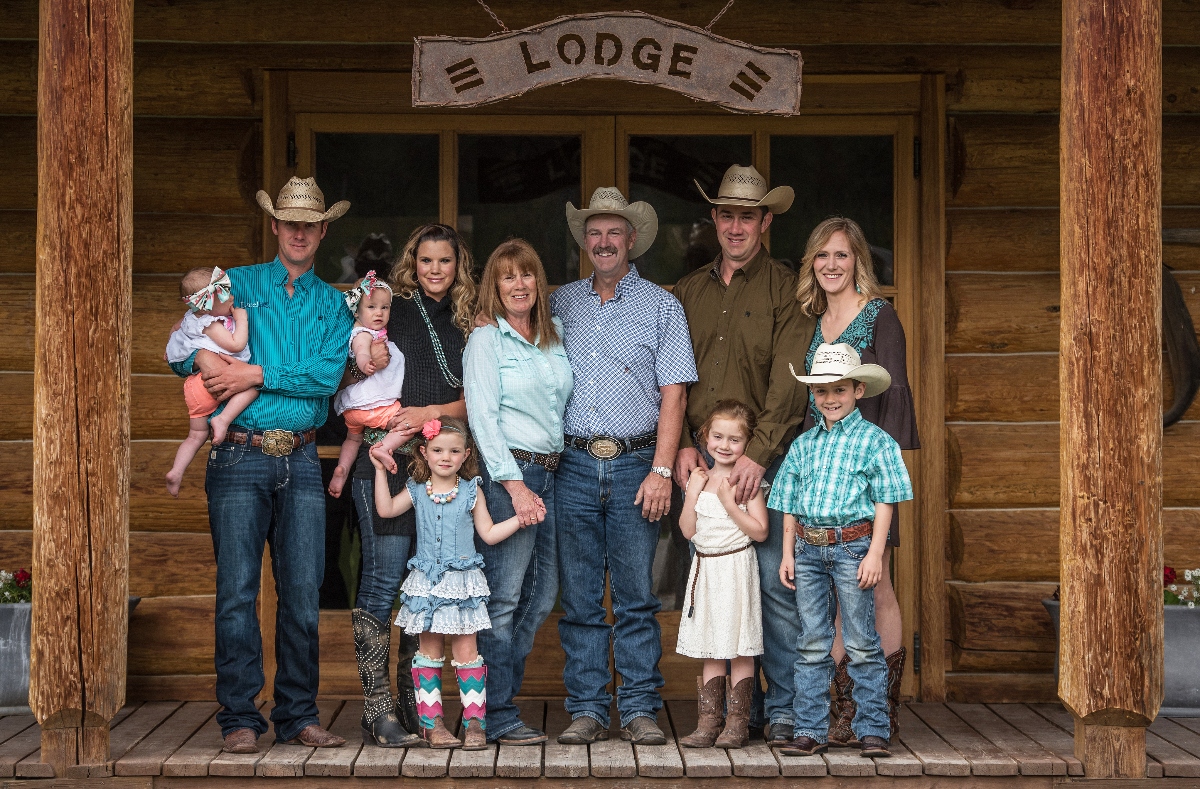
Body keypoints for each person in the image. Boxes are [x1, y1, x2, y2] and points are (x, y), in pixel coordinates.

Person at [166, 176, 352, 752]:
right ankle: (240, 718)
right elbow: (178, 350)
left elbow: (326, 379)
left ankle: (298, 715)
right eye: (289, 222)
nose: (298, 232)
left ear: (322, 231)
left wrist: (255, 374)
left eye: (310, 224)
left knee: (302, 592)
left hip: (299, 460)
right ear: (275, 226)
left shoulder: (333, 302)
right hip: (238, 453)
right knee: (237, 592)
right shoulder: (234, 285)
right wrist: (200, 355)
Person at [672, 164, 814, 745]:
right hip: (704, 465)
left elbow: (789, 381)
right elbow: (672, 377)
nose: (736, 226)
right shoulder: (686, 291)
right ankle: (730, 714)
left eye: (747, 216)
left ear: (766, 221)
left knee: (774, 587)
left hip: (766, 460)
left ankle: (778, 710)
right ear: (714, 218)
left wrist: (756, 453)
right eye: (726, 214)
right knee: (714, 585)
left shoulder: (786, 287)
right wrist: (682, 444)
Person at [552, 187, 698, 745]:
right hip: (574, 465)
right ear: (584, 241)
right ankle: (587, 709)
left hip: (639, 462)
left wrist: (661, 470)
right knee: (582, 597)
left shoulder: (661, 306)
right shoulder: (560, 303)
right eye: (595, 232)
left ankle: (638, 708)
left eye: (615, 232)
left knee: (637, 596)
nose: (604, 241)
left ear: (632, 240)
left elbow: (674, 393)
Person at [348, 224, 476, 748]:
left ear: (457, 265)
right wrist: (365, 360)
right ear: (412, 262)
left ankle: (413, 705)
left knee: (421, 588)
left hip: (442, 467)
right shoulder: (388, 310)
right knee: (382, 581)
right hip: (387, 462)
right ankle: (378, 708)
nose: (435, 270)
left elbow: (481, 402)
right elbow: (349, 374)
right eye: (425, 261)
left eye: (444, 261)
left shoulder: (471, 321)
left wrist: (431, 412)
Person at [795, 217, 920, 743]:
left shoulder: (880, 316)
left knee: (877, 586)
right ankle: (843, 708)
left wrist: (874, 487)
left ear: (857, 261)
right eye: (822, 255)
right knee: (833, 595)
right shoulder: (814, 320)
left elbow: (892, 401)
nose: (831, 264)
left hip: (866, 483)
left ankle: (881, 708)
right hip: (822, 480)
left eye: (841, 255)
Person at [770, 343, 912, 759]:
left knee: (862, 640)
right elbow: (791, 505)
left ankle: (873, 729)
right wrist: (787, 553)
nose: (830, 400)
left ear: (858, 392)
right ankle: (811, 729)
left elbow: (887, 501)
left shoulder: (876, 441)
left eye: (839, 391)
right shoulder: (804, 445)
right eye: (822, 392)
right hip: (809, 550)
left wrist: (875, 554)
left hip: (854, 548)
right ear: (813, 397)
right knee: (812, 642)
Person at [463, 239, 573, 745]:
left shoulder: (551, 338)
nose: (519, 284)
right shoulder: (488, 340)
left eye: (526, 274)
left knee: (542, 593)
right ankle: (495, 713)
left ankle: (497, 698)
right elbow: (483, 417)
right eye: (507, 276)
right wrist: (513, 484)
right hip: (513, 476)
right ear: (495, 286)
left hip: (553, 474)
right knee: (504, 598)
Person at [369, 416, 525, 750]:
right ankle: (432, 723)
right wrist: (380, 471)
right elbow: (384, 510)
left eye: (454, 451)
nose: (445, 456)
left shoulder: (472, 491)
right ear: (423, 452)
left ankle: (474, 724)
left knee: (468, 652)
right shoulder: (415, 489)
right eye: (438, 450)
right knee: (428, 652)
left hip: (462, 584)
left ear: (466, 455)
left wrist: (519, 518)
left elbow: (489, 533)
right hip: (427, 584)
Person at [675, 400, 768, 749]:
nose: (724, 446)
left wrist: (732, 505)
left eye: (734, 440)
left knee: (739, 646)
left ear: (747, 444)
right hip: (707, 568)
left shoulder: (745, 483)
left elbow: (760, 532)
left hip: (735, 567)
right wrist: (691, 494)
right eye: (717, 437)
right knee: (712, 647)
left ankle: (736, 724)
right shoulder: (699, 480)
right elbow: (687, 531)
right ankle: (709, 722)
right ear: (704, 437)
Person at [164, 266, 257, 496]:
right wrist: (241, 319)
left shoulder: (191, 319)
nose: (232, 297)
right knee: (254, 385)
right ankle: (222, 421)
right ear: (206, 304)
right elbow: (236, 344)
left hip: (195, 387)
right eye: (225, 294)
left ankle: (176, 472)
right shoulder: (212, 325)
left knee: (195, 435)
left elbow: (174, 330)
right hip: (211, 383)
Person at [327, 272, 406, 498]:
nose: (379, 313)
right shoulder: (362, 332)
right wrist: (366, 363)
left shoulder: (378, 332)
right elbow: (361, 350)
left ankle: (342, 469)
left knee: (353, 438)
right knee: (407, 424)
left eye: (385, 307)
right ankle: (383, 448)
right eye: (371, 307)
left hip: (354, 413)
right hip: (373, 406)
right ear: (358, 311)